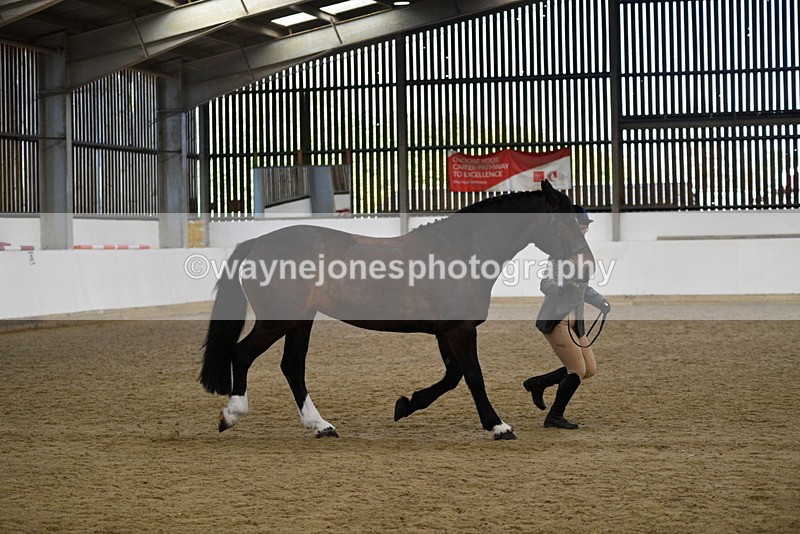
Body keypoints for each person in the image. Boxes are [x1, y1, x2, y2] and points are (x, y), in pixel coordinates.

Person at [523, 205, 611, 429]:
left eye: (585, 228)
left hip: (576, 323)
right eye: (581, 227)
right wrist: (562, 289)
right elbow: (545, 283)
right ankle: (554, 416)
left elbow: (583, 288)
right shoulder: (559, 255)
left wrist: (600, 301)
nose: (584, 232)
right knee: (577, 370)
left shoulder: (580, 257)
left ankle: (539, 383)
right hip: (558, 319)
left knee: (589, 369)